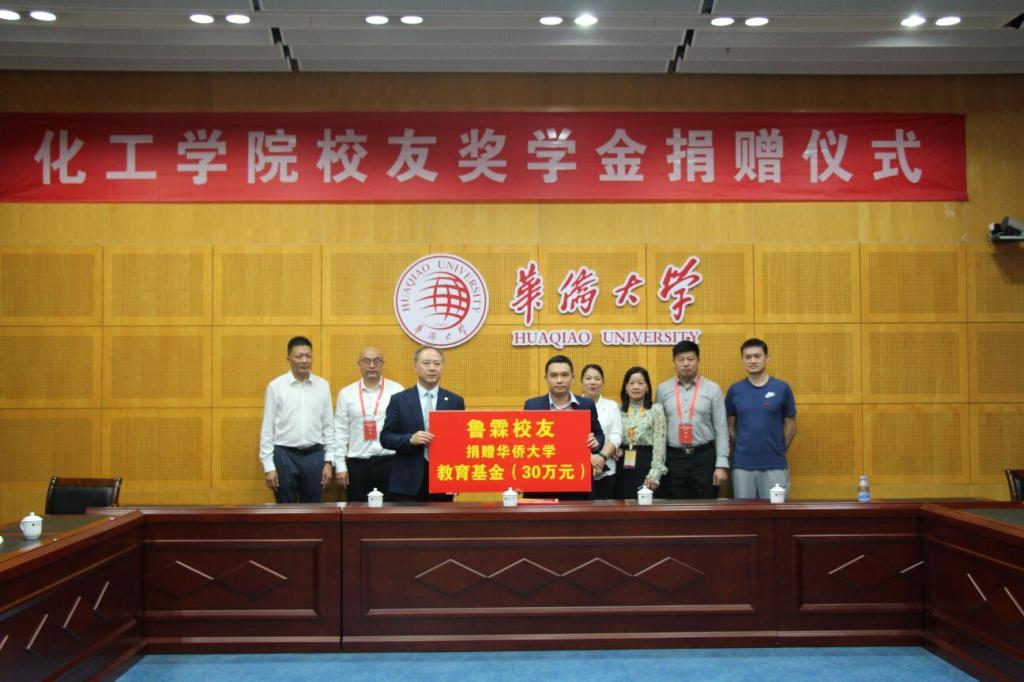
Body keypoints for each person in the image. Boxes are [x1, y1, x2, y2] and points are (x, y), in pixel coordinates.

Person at [380, 346, 465, 501]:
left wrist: (456, 479)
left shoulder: (455, 401)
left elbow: (460, 443)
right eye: (426, 363)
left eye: (437, 364)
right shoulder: (399, 400)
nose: (432, 368)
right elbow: (386, 438)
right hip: (407, 483)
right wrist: (410, 439)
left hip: (443, 479)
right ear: (415, 366)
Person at [259, 336, 337, 503]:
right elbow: (267, 429)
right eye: (299, 356)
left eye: (308, 356)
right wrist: (268, 466)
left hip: (315, 455)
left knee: (314, 509)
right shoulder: (276, 386)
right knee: (285, 509)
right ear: (288, 359)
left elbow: (328, 426)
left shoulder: (322, 385)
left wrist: (329, 461)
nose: (304, 360)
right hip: (284, 455)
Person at [655, 340, 730, 499]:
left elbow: (721, 429)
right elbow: (658, 430)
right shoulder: (663, 389)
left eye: (690, 359)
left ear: (698, 360)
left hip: (704, 457)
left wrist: (721, 464)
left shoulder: (713, 389)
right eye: (681, 359)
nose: (686, 364)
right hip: (673, 458)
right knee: (673, 506)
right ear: (674, 362)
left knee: (707, 506)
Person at [523, 355, 605, 499]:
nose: (559, 380)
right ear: (546, 378)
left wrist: (595, 442)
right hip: (542, 480)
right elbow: (523, 442)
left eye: (565, 375)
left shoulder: (586, 404)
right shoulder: (532, 406)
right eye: (554, 375)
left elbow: (599, 434)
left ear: (573, 378)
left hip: (577, 483)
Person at [726, 338, 797, 500]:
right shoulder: (735, 390)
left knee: (776, 511)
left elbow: (791, 426)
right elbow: (730, 427)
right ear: (743, 360)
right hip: (743, 465)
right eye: (748, 357)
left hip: (774, 464)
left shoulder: (782, 388)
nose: (752, 360)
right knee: (744, 512)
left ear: (767, 359)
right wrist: (743, 447)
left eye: (757, 356)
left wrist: (779, 448)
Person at [333, 347, 404, 502]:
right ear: (359, 364)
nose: (372, 365)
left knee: (392, 511)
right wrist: (340, 465)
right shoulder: (346, 393)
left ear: (382, 363)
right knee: (357, 512)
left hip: (390, 463)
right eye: (366, 360)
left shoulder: (397, 390)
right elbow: (340, 431)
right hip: (358, 465)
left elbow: (403, 428)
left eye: (376, 360)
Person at [615, 366, 668, 499]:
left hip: (647, 463)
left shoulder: (656, 409)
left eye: (640, 383)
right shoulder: (618, 409)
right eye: (631, 383)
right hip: (622, 464)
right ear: (625, 387)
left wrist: (655, 473)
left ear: (647, 387)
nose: (636, 387)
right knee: (624, 504)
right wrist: (617, 449)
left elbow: (660, 444)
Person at [580, 364, 623, 500]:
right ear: (581, 382)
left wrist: (601, 458)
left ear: (603, 382)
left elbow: (616, 435)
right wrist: (590, 459)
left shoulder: (612, 406)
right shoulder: (574, 405)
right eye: (588, 378)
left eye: (597, 379)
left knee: (604, 508)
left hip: (606, 467)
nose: (592, 382)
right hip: (578, 470)